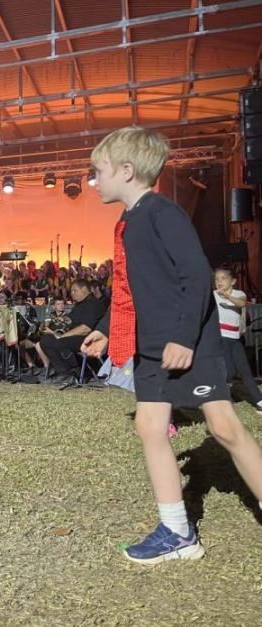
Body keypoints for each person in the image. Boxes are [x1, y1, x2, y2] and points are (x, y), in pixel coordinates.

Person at [81, 126, 262, 564]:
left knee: (224, 428)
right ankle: (177, 532)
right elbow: (132, 289)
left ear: (126, 171)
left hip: (187, 342)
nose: (93, 180)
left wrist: (183, 337)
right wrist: (108, 326)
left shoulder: (163, 213)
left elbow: (197, 276)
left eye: (98, 171)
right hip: (151, 347)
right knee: (149, 427)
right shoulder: (128, 221)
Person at [213, 267, 262, 412]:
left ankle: (259, 400)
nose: (219, 281)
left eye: (223, 278)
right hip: (221, 337)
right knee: (229, 372)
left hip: (235, 339)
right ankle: (223, 398)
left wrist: (227, 297)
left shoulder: (238, 294)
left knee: (245, 371)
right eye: (217, 279)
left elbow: (241, 304)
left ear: (233, 281)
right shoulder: (213, 295)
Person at [40, 279, 104, 383]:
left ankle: (74, 370)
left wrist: (62, 335)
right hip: (75, 336)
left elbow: (85, 328)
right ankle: (65, 372)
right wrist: (52, 326)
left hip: (89, 338)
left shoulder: (93, 304)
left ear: (84, 289)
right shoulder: (78, 305)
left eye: (75, 290)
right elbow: (69, 320)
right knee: (45, 340)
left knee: (56, 341)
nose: (72, 294)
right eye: (71, 291)